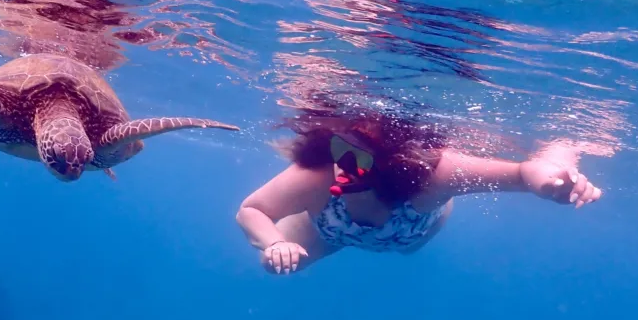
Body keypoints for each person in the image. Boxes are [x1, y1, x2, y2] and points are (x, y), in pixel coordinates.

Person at [235, 108, 603, 274]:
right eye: (339, 152)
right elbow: (251, 210)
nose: (343, 168)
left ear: (389, 165)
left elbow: (522, 172)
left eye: (358, 160)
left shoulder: (432, 177)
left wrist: (548, 182)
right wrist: (274, 244)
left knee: (408, 250)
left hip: (407, 235)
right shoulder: (314, 177)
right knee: (274, 266)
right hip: (327, 230)